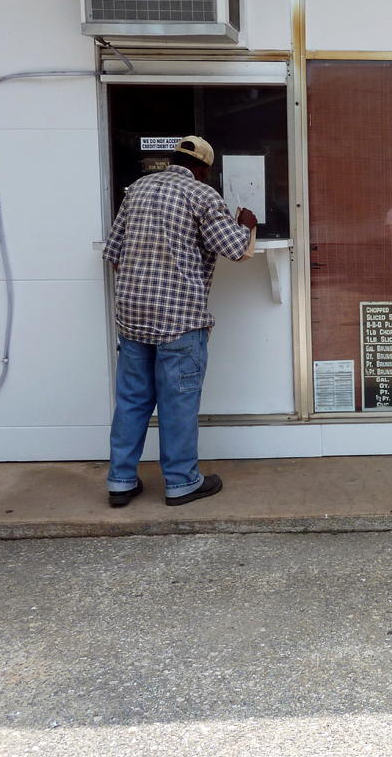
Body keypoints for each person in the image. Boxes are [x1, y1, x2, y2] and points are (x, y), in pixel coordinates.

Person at [102, 136, 257, 507]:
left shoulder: (137, 189)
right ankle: (181, 482)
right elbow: (235, 250)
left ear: (173, 159)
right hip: (179, 320)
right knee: (178, 404)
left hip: (133, 317)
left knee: (131, 402)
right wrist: (247, 225)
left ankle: (121, 481)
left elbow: (114, 252)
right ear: (203, 169)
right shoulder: (202, 195)